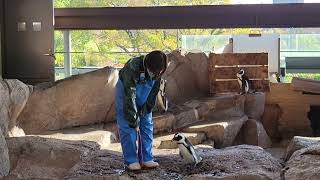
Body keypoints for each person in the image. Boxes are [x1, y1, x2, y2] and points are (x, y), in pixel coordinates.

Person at [115, 50, 168, 171]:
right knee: (128, 127)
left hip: (145, 94)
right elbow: (130, 96)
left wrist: (145, 109)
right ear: (148, 65)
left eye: (158, 72)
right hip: (126, 94)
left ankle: (146, 158)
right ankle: (131, 160)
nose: (156, 74)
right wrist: (134, 120)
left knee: (147, 125)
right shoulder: (132, 67)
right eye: (153, 71)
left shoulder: (160, 68)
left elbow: (153, 93)